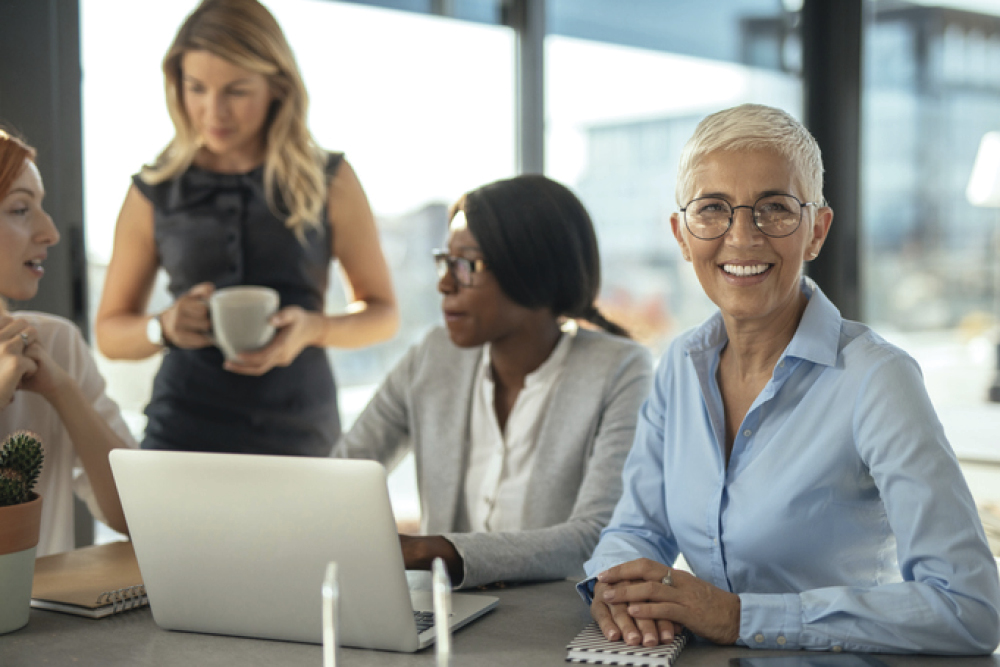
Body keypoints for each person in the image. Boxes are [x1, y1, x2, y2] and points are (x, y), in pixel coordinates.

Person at [580, 104, 1000, 655]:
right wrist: (614, 588)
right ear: (682, 235)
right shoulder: (679, 367)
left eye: (774, 209)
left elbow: (970, 608)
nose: (742, 236)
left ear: (817, 231)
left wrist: (739, 617)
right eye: (713, 209)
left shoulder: (877, 379)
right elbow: (635, 530)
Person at [94, 0, 398, 456]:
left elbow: (383, 314)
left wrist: (313, 328)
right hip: (181, 433)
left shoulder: (330, 179)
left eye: (235, 91)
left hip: (301, 433)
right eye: (196, 88)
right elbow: (109, 333)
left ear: (277, 86)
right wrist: (164, 327)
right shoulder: (152, 190)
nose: (213, 111)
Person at [334, 175, 653, 589]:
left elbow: (595, 535)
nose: (444, 283)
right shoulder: (433, 356)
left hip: (555, 624)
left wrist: (432, 551)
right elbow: (342, 476)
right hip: (449, 617)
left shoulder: (621, 369)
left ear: (532, 270)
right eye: (445, 261)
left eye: (466, 265)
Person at [0, 128, 135, 556]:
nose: (51, 232)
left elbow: (134, 514)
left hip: (45, 623)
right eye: (21, 209)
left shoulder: (56, 343)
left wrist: (62, 391)